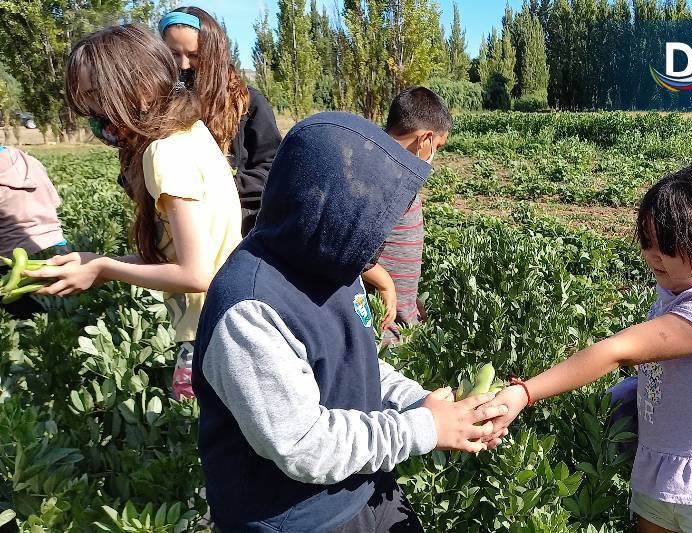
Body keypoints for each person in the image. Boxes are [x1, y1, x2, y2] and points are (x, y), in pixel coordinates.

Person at [191, 111, 506, 531]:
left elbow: (357, 366)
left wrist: (424, 404)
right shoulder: (248, 309)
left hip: (362, 485)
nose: (383, 233)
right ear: (324, 208)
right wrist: (422, 428)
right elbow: (304, 445)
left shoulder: (330, 262)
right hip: (297, 518)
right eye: (371, 217)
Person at [488, 161, 692, 532]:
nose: (654, 257)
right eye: (648, 243)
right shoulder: (679, 286)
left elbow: (617, 351)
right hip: (660, 478)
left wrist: (524, 393)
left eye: (669, 246)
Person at [28, 25, 242, 402]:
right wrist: (99, 261)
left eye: (97, 96)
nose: (93, 114)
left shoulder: (165, 154)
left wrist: (105, 269)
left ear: (139, 84)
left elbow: (196, 274)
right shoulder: (190, 131)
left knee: (199, 433)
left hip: (211, 329)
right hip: (228, 313)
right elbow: (184, 255)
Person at [159, 6, 281, 236]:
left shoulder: (248, 102)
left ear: (212, 54)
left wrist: (220, 190)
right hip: (176, 226)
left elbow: (272, 168)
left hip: (241, 226)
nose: (183, 65)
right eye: (174, 54)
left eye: (193, 55)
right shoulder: (161, 103)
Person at [361, 86, 451, 343]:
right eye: (438, 146)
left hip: (403, 316)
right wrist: (385, 283)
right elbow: (349, 246)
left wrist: (411, 302)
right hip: (382, 325)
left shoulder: (393, 170)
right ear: (425, 140)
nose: (435, 154)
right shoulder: (380, 177)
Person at [0, 146, 69, 319]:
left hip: (13, 262)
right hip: (58, 252)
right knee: (56, 316)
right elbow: (54, 202)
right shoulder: (29, 161)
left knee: (19, 323)